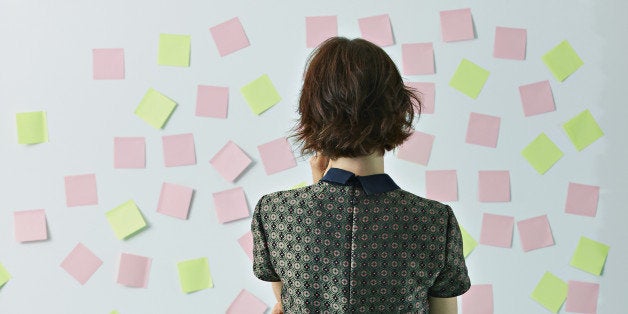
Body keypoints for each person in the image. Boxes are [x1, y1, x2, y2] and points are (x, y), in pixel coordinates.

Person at [252, 37, 470, 313]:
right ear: (398, 110)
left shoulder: (276, 213)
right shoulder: (434, 221)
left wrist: (321, 190)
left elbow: (288, 302)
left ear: (314, 112)